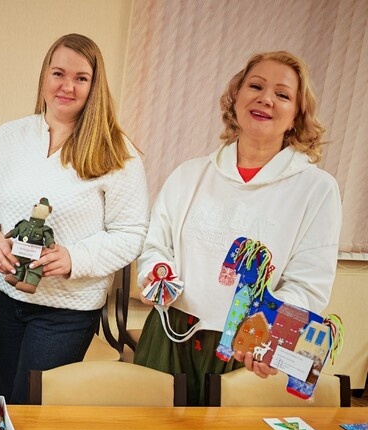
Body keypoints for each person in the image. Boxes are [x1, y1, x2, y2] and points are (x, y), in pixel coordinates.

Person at [134, 51, 342, 406]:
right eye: (256, 86)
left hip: (246, 347)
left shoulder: (316, 189)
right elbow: (156, 244)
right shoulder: (189, 175)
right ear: (236, 97)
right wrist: (155, 273)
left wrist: (270, 332)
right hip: (170, 336)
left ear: (297, 114)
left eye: (282, 94)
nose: (266, 98)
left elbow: (308, 283)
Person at [0, 34, 149, 404]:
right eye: (59, 73)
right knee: (8, 401)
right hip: (8, 298)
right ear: (44, 76)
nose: (67, 86)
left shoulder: (117, 152)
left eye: (81, 78)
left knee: (30, 408)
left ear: (94, 85)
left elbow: (131, 233)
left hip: (68, 309)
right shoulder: (8, 137)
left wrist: (73, 259)